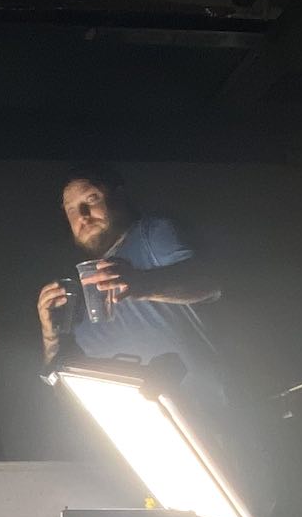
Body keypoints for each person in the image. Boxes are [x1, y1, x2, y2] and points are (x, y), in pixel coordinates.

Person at [35, 164, 230, 407]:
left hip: (202, 412)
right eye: (72, 209)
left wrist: (140, 283)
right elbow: (61, 389)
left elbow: (209, 282)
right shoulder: (78, 289)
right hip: (131, 427)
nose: (83, 215)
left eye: (91, 198)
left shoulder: (152, 234)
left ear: (119, 196)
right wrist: (50, 335)